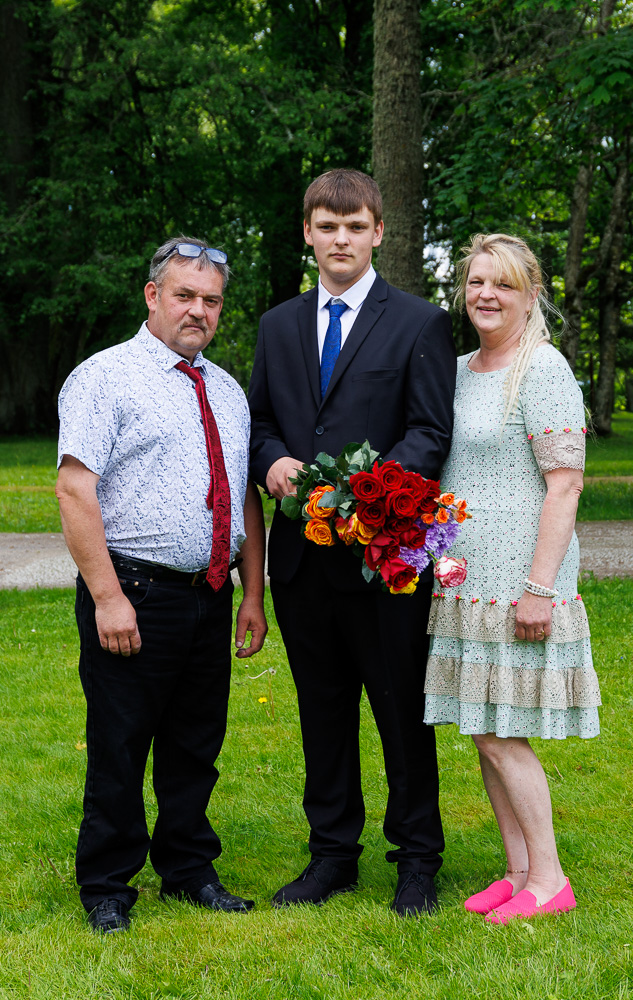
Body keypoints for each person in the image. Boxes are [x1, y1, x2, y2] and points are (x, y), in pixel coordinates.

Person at [248, 169, 456, 915]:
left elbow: (429, 431)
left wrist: (368, 494)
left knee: (400, 710)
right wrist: (271, 460)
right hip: (300, 562)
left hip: (383, 560)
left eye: (355, 226)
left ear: (378, 232)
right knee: (322, 710)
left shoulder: (420, 323)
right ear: (307, 233)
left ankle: (417, 860)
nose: (341, 239)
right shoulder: (277, 325)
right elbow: (260, 422)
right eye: (327, 226)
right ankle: (332, 856)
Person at [56, 236, 268, 934]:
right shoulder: (104, 377)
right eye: (184, 296)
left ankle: (188, 869)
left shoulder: (227, 391)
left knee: (195, 745)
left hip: (210, 595)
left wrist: (252, 594)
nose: (198, 310)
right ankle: (106, 886)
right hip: (134, 592)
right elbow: (74, 489)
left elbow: (243, 496)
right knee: (119, 745)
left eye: (211, 301)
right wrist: (108, 596)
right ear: (153, 296)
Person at [424, 233, 601, 924]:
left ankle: (550, 879)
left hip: (518, 581)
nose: (486, 295)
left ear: (531, 295)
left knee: (504, 733)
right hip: (464, 578)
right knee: (482, 725)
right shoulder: (459, 369)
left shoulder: (543, 368)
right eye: (476, 282)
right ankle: (518, 869)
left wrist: (539, 589)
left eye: (502, 284)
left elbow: (565, 484)